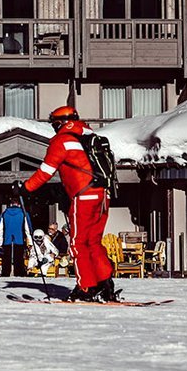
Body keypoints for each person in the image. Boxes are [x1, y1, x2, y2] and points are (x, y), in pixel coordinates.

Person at [23, 105, 116, 302]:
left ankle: (86, 288)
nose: (54, 129)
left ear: (60, 123)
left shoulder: (62, 141)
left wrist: (24, 188)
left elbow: (45, 173)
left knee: (78, 243)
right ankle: (105, 284)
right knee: (93, 242)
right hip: (103, 196)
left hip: (83, 197)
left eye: (55, 125)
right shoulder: (90, 137)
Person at [0, 194, 33, 276]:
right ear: (19, 204)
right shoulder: (23, 214)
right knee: (19, 259)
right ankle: (19, 274)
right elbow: (28, 229)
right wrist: (30, 242)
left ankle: (5, 274)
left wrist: (0, 242)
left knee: (6, 260)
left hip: (7, 240)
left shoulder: (4, 214)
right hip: (19, 239)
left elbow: (0, 229)